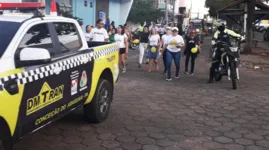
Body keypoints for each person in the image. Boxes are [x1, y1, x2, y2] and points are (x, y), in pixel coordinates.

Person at [207, 19, 243, 83]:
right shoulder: (217, 33)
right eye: (217, 25)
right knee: (214, 62)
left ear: (223, 25)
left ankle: (232, 68)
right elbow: (214, 39)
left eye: (219, 25)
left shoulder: (228, 31)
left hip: (228, 48)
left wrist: (241, 38)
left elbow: (235, 35)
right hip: (220, 48)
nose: (218, 27)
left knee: (234, 56)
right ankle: (211, 78)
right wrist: (214, 42)